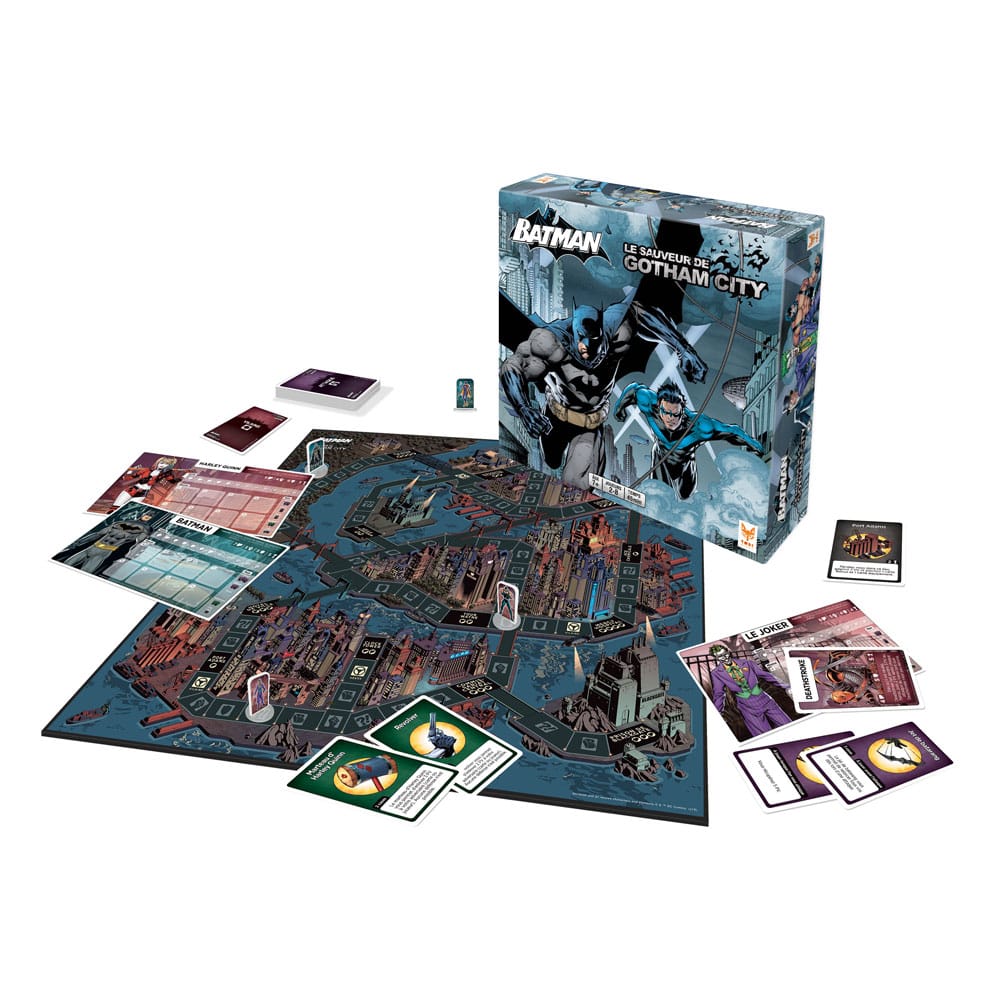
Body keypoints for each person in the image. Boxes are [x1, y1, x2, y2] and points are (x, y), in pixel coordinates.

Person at [708, 644, 791, 737]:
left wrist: (786, 685)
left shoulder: (747, 663)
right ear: (716, 658)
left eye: (725, 654)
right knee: (763, 736)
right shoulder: (716, 673)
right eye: (720, 656)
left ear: (728, 652)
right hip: (746, 706)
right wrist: (718, 711)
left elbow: (765, 675)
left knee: (787, 724)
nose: (724, 657)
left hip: (764, 699)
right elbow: (719, 693)